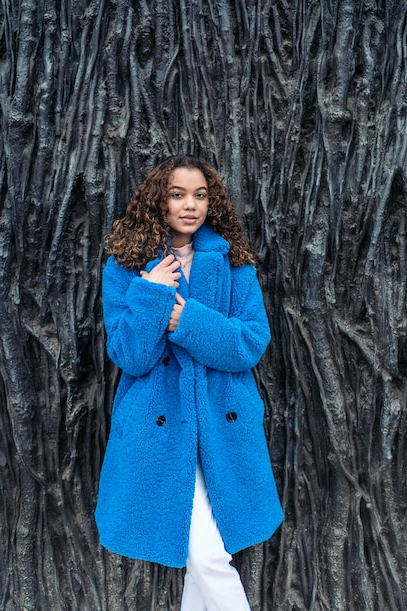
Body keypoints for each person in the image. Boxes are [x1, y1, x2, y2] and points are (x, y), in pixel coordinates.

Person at [95, 155, 283, 610]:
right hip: (160, 428)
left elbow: (251, 341)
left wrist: (187, 321)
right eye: (177, 194)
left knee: (205, 556)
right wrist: (153, 293)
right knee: (206, 555)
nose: (189, 205)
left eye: (200, 195)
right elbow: (130, 356)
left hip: (222, 422)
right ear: (158, 201)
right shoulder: (126, 268)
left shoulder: (234, 264)